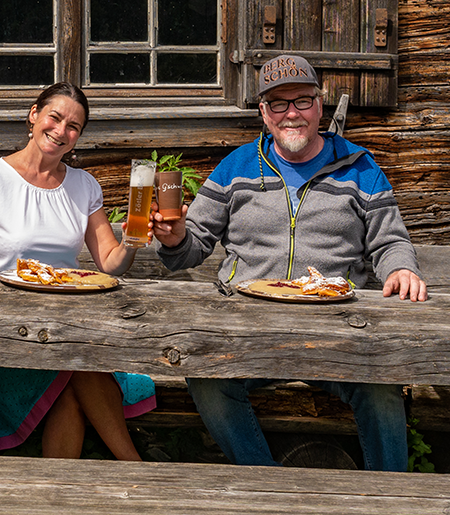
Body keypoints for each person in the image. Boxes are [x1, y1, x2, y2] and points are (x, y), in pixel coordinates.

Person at [152, 54, 427, 471]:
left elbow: (390, 240)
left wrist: (401, 269)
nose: (291, 113)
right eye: (278, 104)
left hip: (340, 331)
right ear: (264, 113)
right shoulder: (236, 168)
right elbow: (192, 248)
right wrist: (174, 239)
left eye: (302, 100)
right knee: (206, 377)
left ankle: (392, 497)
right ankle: (269, 487)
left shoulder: (360, 167)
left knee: (382, 388)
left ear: (319, 106)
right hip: (248, 330)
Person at [0, 82, 155, 459]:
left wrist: (133, 242)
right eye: (54, 117)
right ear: (34, 115)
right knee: (77, 367)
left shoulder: (84, 186)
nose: (61, 130)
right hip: (11, 334)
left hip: (71, 328)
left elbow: (110, 263)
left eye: (74, 126)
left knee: (72, 373)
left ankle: (61, 492)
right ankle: (138, 469)